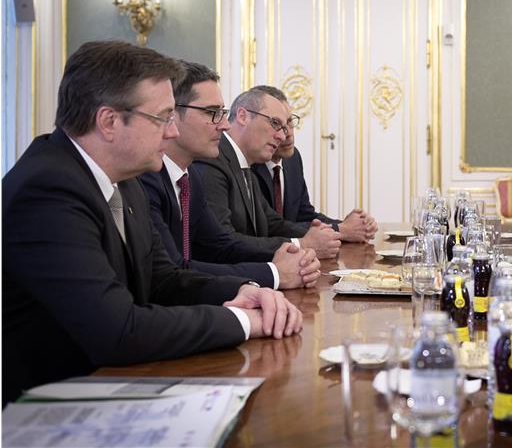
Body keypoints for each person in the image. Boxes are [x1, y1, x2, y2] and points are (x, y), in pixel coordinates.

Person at [2, 41, 302, 405]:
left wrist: (243, 291)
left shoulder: (126, 180)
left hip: (116, 385)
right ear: (109, 121)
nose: (172, 132)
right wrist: (243, 321)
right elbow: (116, 331)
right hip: (51, 410)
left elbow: (163, 278)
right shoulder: (47, 190)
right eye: (162, 118)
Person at [139, 61, 321, 290]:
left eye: (223, 113)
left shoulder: (190, 176)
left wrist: (292, 258)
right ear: (172, 114)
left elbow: (219, 244)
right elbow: (171, 272)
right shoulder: (146, 178)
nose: (224, 125)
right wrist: (275, 273)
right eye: (212, 113)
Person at [193, 85, 342, 259]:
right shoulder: (212, 160)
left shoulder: (245, 164)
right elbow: (223, 242)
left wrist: (324, 234)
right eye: (275, 123)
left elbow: (272, 223)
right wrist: (301, 244)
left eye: (285, 127)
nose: (282, 136)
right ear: (243, 116)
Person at [250, 87, 378, 243]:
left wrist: (352, 226)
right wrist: (341, 230)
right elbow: (272, 226)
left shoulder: (293, 159)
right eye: (277, 124)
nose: (287, 134)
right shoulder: (251, 162)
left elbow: (304, 214)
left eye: (290, 122)